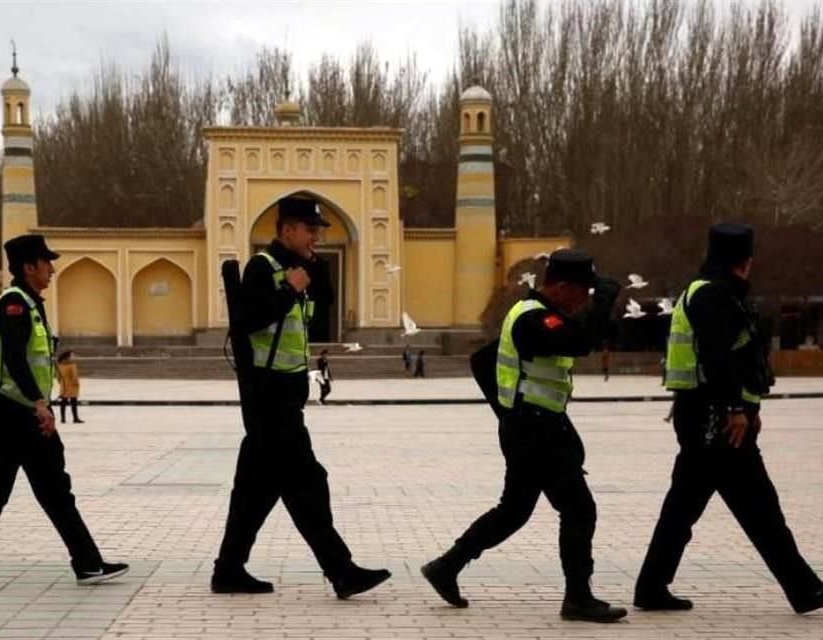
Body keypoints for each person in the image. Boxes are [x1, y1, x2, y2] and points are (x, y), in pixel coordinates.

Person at [634, 223, 823, 614]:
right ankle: (803, 589)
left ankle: (651, 587)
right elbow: (717, 358)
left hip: (707, 414)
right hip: (713, 416)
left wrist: (749, 408)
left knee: (685, 505)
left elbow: (739, 359)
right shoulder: (713, 295)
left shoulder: (715, 292)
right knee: (759, 506)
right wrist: (734, 409)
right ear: (746, 261)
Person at [421, 249, 627, 623]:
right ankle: (578, 598)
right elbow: (578, 343)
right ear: (562, 287)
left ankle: (446, 567)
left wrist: (507, 409)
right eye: (581, 293)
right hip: (537, 431)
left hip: (532, 427)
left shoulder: (534, 314)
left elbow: (483, 360)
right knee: (578, 509)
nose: (583, 301)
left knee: (513, 511)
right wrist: (603, 303)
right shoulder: (535, 319)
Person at [212, 196, 390, 598]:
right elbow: (246, 322)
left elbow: (324, 298)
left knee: (255, 491)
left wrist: (307, 268)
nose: (316, 236)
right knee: (307, 485)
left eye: (318, 231)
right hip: (268, 396)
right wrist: (289, 291)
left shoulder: (300, 268)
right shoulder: (263, 267)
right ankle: (341, 571)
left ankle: (228, 569)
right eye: (310, 230)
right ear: (287, 229)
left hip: (286, 397)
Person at [0, 234, 128, 591]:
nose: (52, 269)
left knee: (50, 489)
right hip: (15, 414)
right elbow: (15, 360)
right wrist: (40, 404)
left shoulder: (30, 303)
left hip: (24, 414)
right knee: (0, 490)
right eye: (46, 262)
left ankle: (87, 563)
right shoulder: (14, 303)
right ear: (29, 267)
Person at [56, 351, 84, 424]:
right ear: (68, 357)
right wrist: (77, 384)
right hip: (72, 386)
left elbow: (58, 376)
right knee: (73, 402)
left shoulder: (60, 365)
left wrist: (61, 383)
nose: (73, 357)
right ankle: (75, 418)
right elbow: (74, 376)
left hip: (64, 385)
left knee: (63, 402)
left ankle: (63, 418)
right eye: (72, 356)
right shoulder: (72, 365)